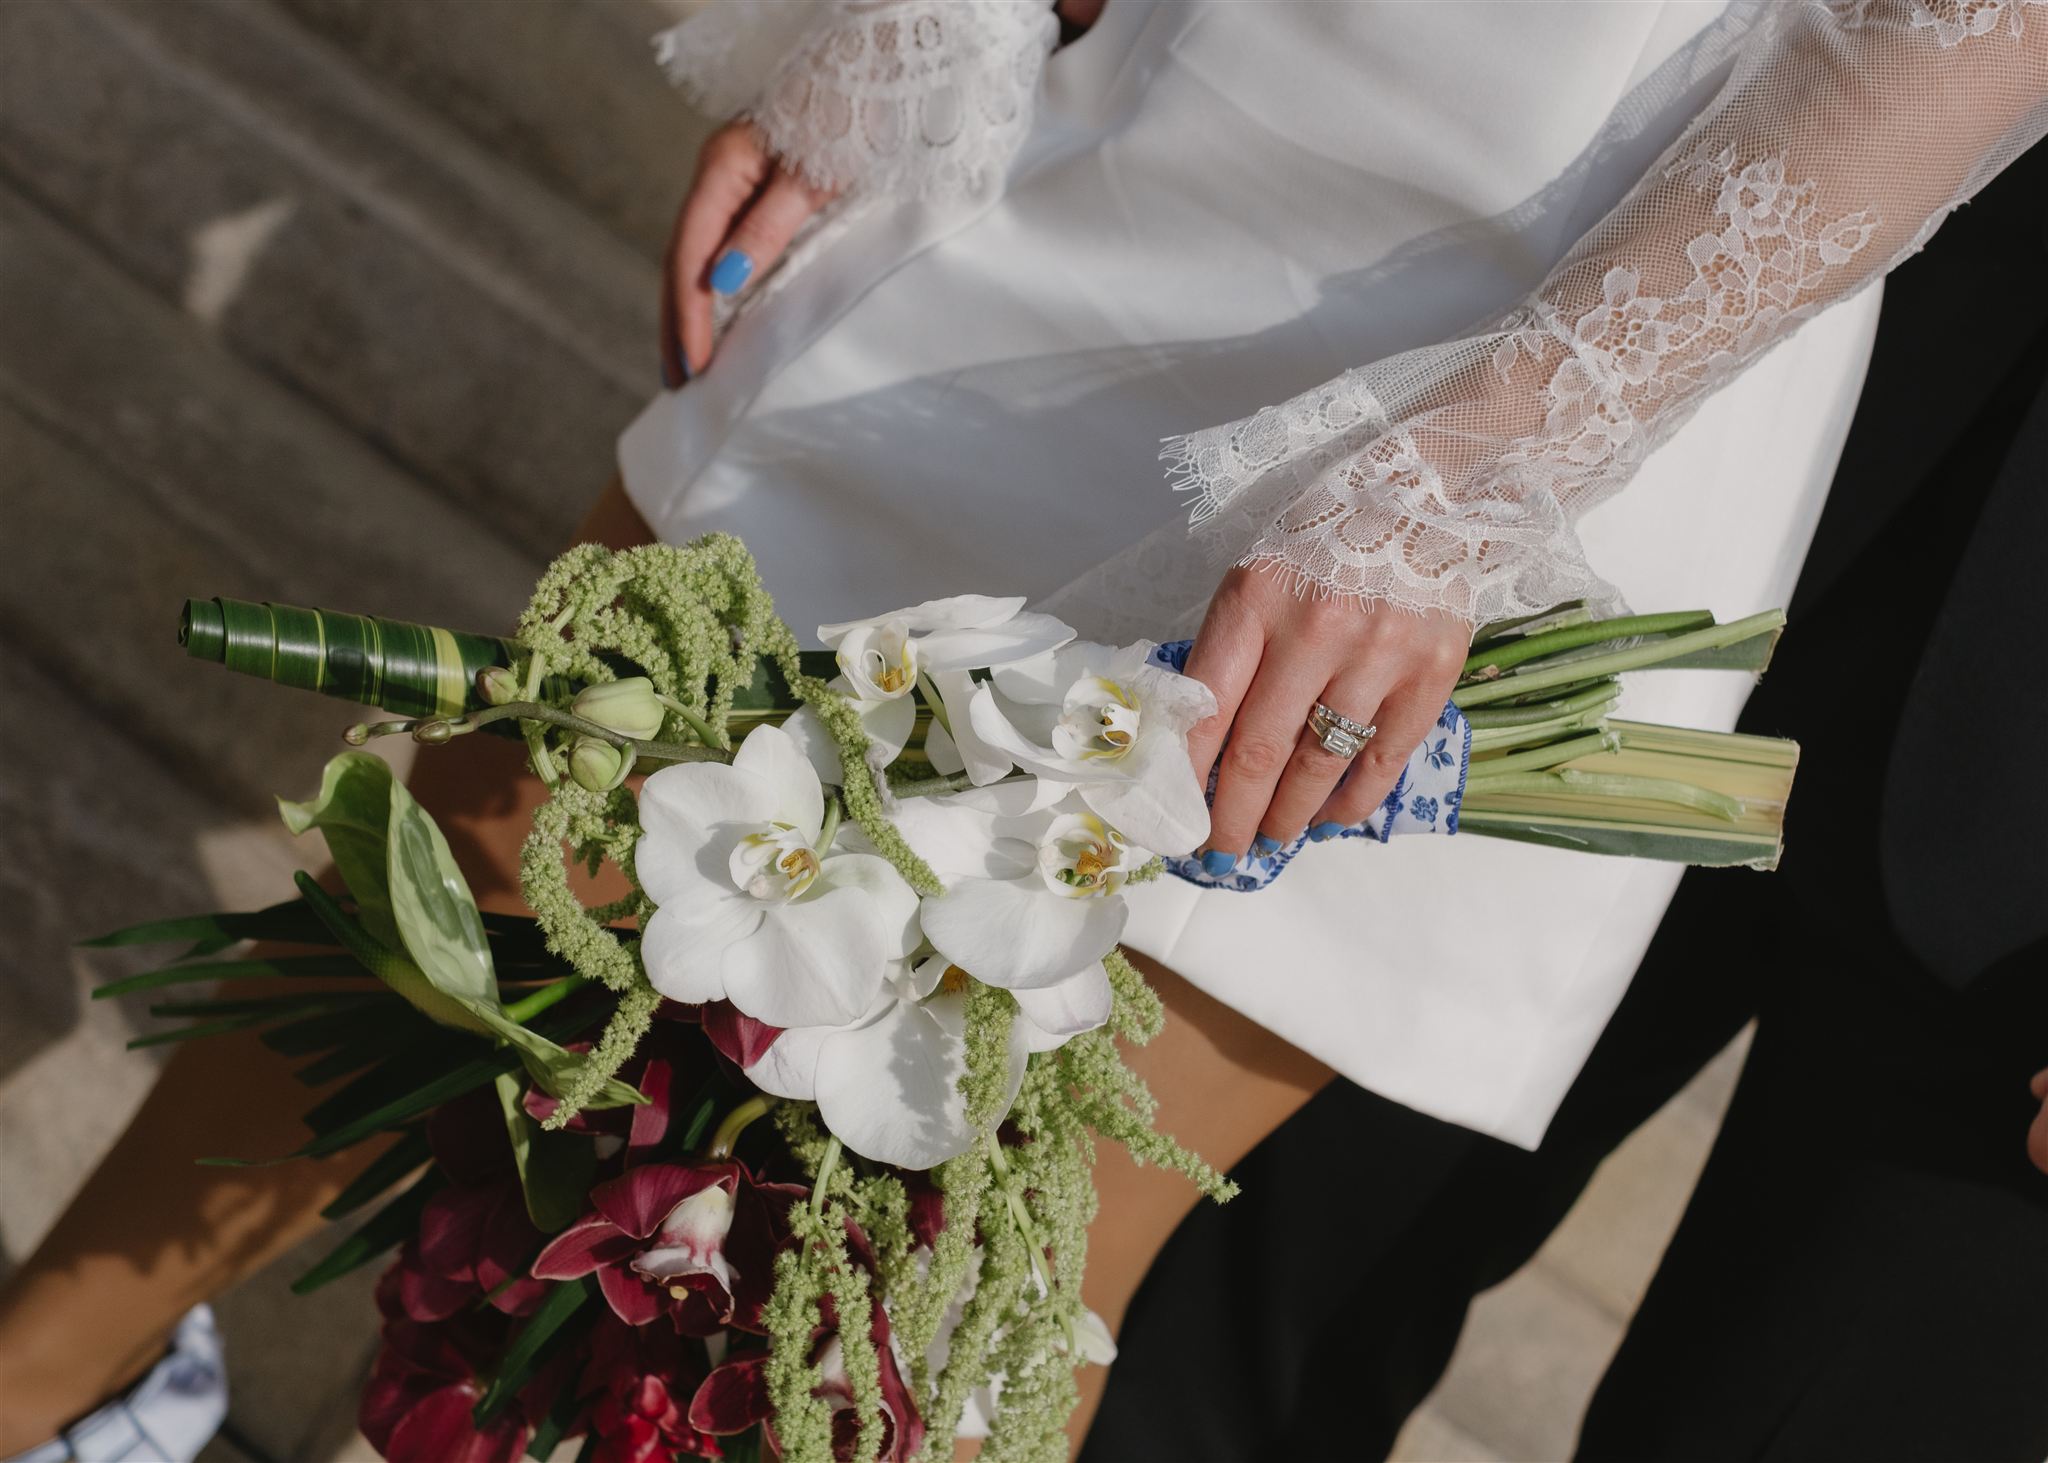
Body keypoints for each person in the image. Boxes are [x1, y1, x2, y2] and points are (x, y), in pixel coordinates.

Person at [2, 2, 2042, 1457]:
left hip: (1593, 304)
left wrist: (1476, 469)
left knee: (980, 1272)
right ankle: (34, 1391)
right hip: (1152, 128)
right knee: (502, 844)